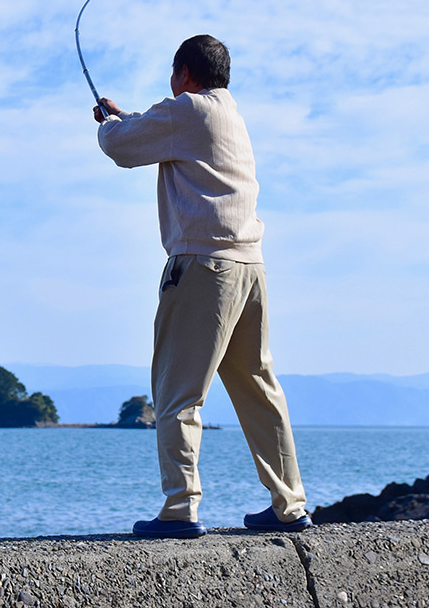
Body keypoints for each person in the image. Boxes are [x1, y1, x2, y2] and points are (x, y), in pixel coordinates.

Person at [93, 34, 310, 538]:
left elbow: (121, 147)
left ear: (184, 73)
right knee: (259, 387)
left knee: (177, 391)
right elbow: (156, 131)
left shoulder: (186, 109)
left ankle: (180, 509)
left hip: (204, 267)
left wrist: (109, 123)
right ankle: (290, 504)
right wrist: (130, 118)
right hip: (250, 268)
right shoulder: (230, 114)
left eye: (174, 75)